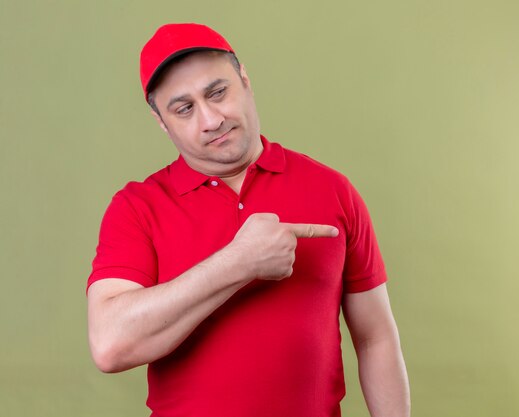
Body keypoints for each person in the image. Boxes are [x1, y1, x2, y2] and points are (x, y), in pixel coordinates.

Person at [87, 23, 410, 417]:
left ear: (245, 80)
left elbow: (376, 338)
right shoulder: (137, 207)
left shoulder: (332, 190)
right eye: (184, 108)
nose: (210, 119)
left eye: (217, 92)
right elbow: (109, 345)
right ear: (161, 121)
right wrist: (239, 263)